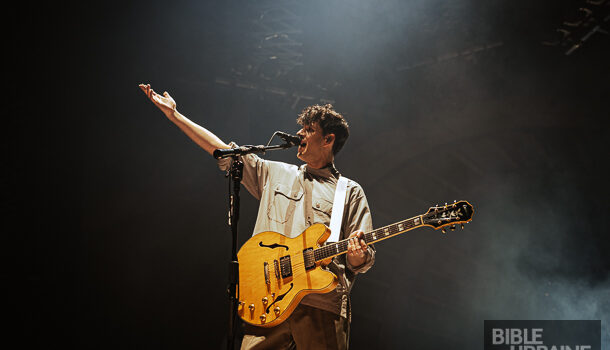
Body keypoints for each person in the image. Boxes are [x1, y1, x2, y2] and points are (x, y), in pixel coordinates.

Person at [139, 83, 375, 349]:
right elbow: (221, 150)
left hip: (320, 302)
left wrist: (358, 255)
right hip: (267, 297)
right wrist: (175, 115)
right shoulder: (275, 173)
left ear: (328, 140)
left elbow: (361, 258)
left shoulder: (349, 191)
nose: (299, 133)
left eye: (309, 129)